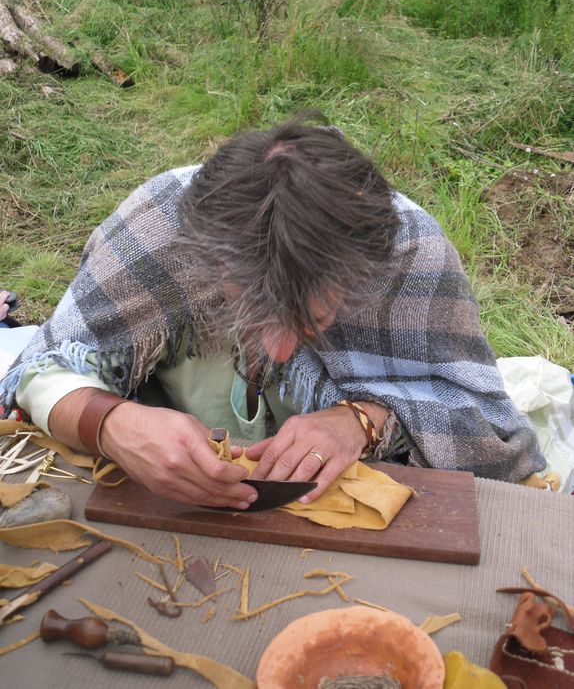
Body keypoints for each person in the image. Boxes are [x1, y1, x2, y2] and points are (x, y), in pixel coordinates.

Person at [0, 117, 545, 508]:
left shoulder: (411, 253)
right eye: (247, 310)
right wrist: (111, 423)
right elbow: (38, 370)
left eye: (314, 320)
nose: (281, 350)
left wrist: (363, 419)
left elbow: (487, 424)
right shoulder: (159, 227)